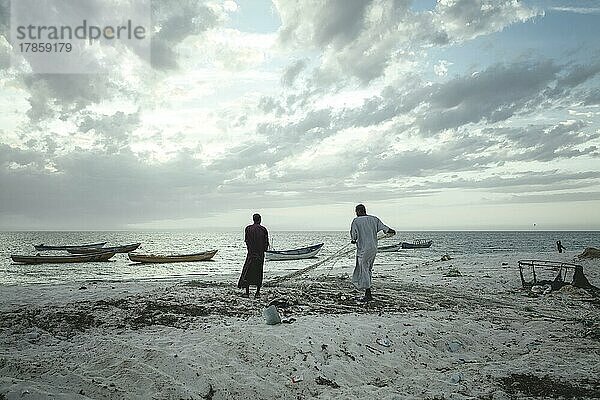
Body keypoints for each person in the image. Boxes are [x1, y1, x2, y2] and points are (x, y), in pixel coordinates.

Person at [350, 204, 395, 302]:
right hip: (373, 248)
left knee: (364, 268)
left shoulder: (356, 221)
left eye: (356, 211)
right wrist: (392, 231)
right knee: (368, 269)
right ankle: (367, 290)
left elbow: (353, 236)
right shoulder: (374, 219)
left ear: (358, 211)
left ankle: (368, 293)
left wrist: (353, 240)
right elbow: (386, 229)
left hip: (363, 249)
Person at [238, 213, 269, 298]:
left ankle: (247, 293)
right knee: (259, 272)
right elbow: (266, 244)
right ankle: (257, 293)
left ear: (253, 219)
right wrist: (263, 249)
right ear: (260, 220)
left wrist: (250, 249)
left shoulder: (248, 229)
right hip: (259, 254)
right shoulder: (263, 229)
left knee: (248, 271)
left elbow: (247, 241)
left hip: (251, 254)